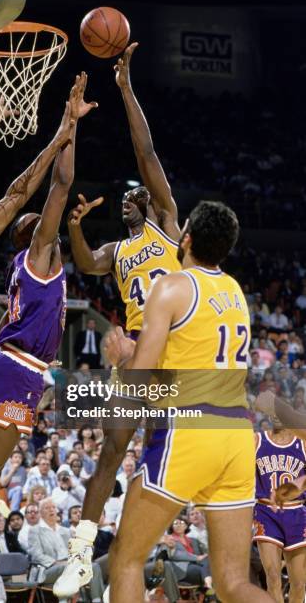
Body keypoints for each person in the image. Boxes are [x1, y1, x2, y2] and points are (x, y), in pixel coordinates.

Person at [0, 74, 96, 586]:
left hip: (23, 374)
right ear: (34, 236)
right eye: (39, 221)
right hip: (13, 368)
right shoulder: (39, 254)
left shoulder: (41, 265)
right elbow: (59, 186)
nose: (40, 220)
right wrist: (67, 126)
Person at [55, 42, 182, 597]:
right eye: (124, 198)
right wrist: (78, 226)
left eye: (135, 197)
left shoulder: (168, 227)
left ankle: (151, 547)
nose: (128, 200)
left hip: (179, 353)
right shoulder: (118, 251)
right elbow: (83, 263)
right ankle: (83, 551)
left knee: (167, 456)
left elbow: (146, 152)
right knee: (112, 445)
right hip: (137, 357)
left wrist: (126, 88)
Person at [104, 201, 273, 603]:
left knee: (125, 559)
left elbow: (140, 382)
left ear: (187, 238)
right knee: (234, 584)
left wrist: (120, 360)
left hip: (188, 430)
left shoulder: (172, 285)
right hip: (235, 435)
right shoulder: (235, 292)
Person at [254, 421, 306, 603]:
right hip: (266, 511)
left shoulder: (303, 442)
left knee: (299, 583)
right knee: (273, 576)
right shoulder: (257, 440)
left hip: (297, 513)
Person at [28, 498, 105, 602]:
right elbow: (36, 555)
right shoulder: (35, 531)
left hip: (70, 564)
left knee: (94, 566)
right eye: (47, 508)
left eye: (53, 507)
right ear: (41, 513)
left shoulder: (65, 531)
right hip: (46, 570)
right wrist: (57, 563)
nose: (51, 510)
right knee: (65, 568)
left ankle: (97, 600)